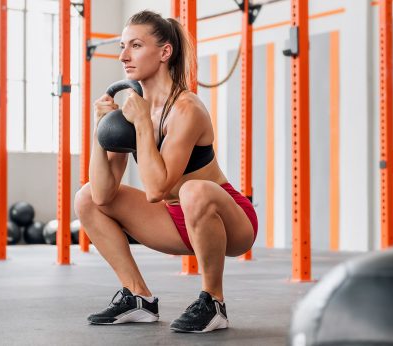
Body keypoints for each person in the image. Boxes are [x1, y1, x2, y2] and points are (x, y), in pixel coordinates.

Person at [74, 10, 258, 333]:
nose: (123, 56)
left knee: (192, 190)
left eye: (135, 45)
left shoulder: (187, 109)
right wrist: (100, 130)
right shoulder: (136, 110)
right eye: (122, 46)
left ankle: (213, 302)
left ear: (164, 52)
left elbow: (157, 188)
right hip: (174, 220)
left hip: (229, 222)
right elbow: (103, 194)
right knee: (86, 197)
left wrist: (143, 123)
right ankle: (138, 297)